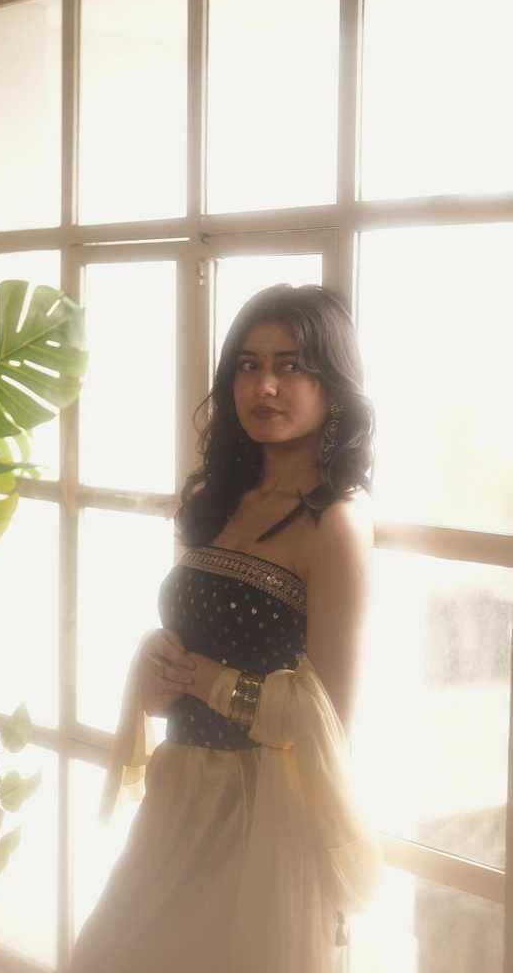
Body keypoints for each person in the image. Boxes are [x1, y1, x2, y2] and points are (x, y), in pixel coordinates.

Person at [68, 284, 383, 973]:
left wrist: (210, 683)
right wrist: (154, 673)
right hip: (180, 793)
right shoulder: (219, 500)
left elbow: (328, 723)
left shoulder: (335, 522)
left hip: (259, 818)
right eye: (248, 365)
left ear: (333, 385)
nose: (264, 386)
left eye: (290, 366)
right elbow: (199, 638)